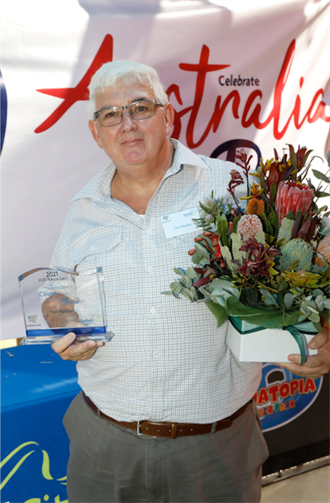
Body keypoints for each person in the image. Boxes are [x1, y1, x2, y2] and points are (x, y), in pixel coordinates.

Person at [49, 61, 330, 503]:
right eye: (111, 114)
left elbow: (307, 269)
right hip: (105, 444)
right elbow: (54, 290)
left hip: (215, 448)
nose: (127, 125)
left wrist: (321, 335)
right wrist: (63, 318)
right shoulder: (82, 209)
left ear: (168, 115)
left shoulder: (233, 188)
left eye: (140, 107)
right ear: (95, 131)